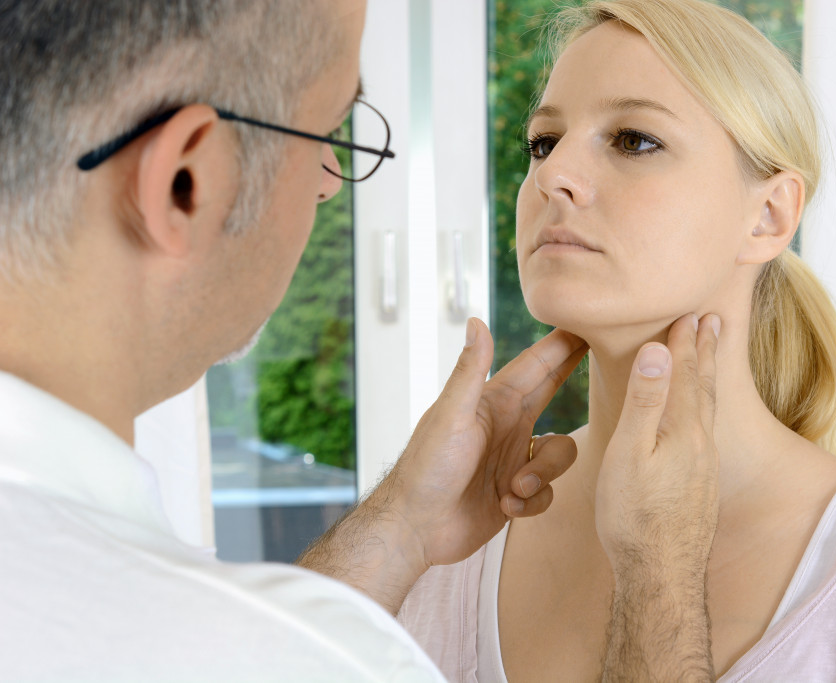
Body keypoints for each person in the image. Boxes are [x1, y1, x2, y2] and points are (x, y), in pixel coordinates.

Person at [0, 0, 718, 680]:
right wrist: (660, 574)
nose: (330, 182)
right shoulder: (251, 648)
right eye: (326, 134)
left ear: (775, 211)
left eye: (635, 140)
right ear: (187, 181)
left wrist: (401, 524)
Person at [397, 0, 836, 680]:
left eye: (633, 139)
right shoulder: (451, 531)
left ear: (768, 215)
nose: (550, 176)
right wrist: (397, 529)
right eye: (544, 142)